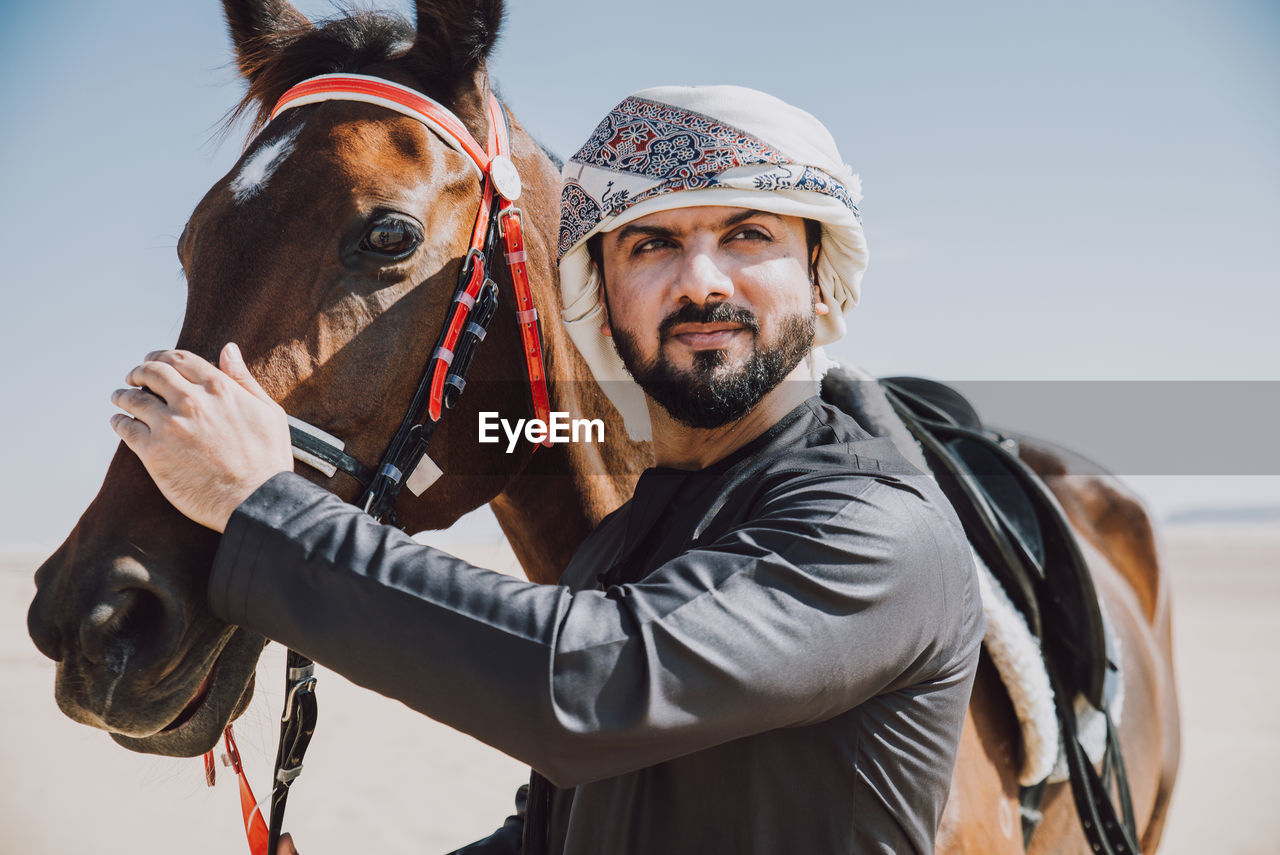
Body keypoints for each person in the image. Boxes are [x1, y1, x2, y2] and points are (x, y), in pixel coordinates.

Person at [109, 85, 984, 855]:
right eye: (649, 245)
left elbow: (589, 684)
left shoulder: (874, 529)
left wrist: (264, 505)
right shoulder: (623, 548)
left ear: (822, 279)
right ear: (597, 299)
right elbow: (569, 825)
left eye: (748, 232)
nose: (701, 280)